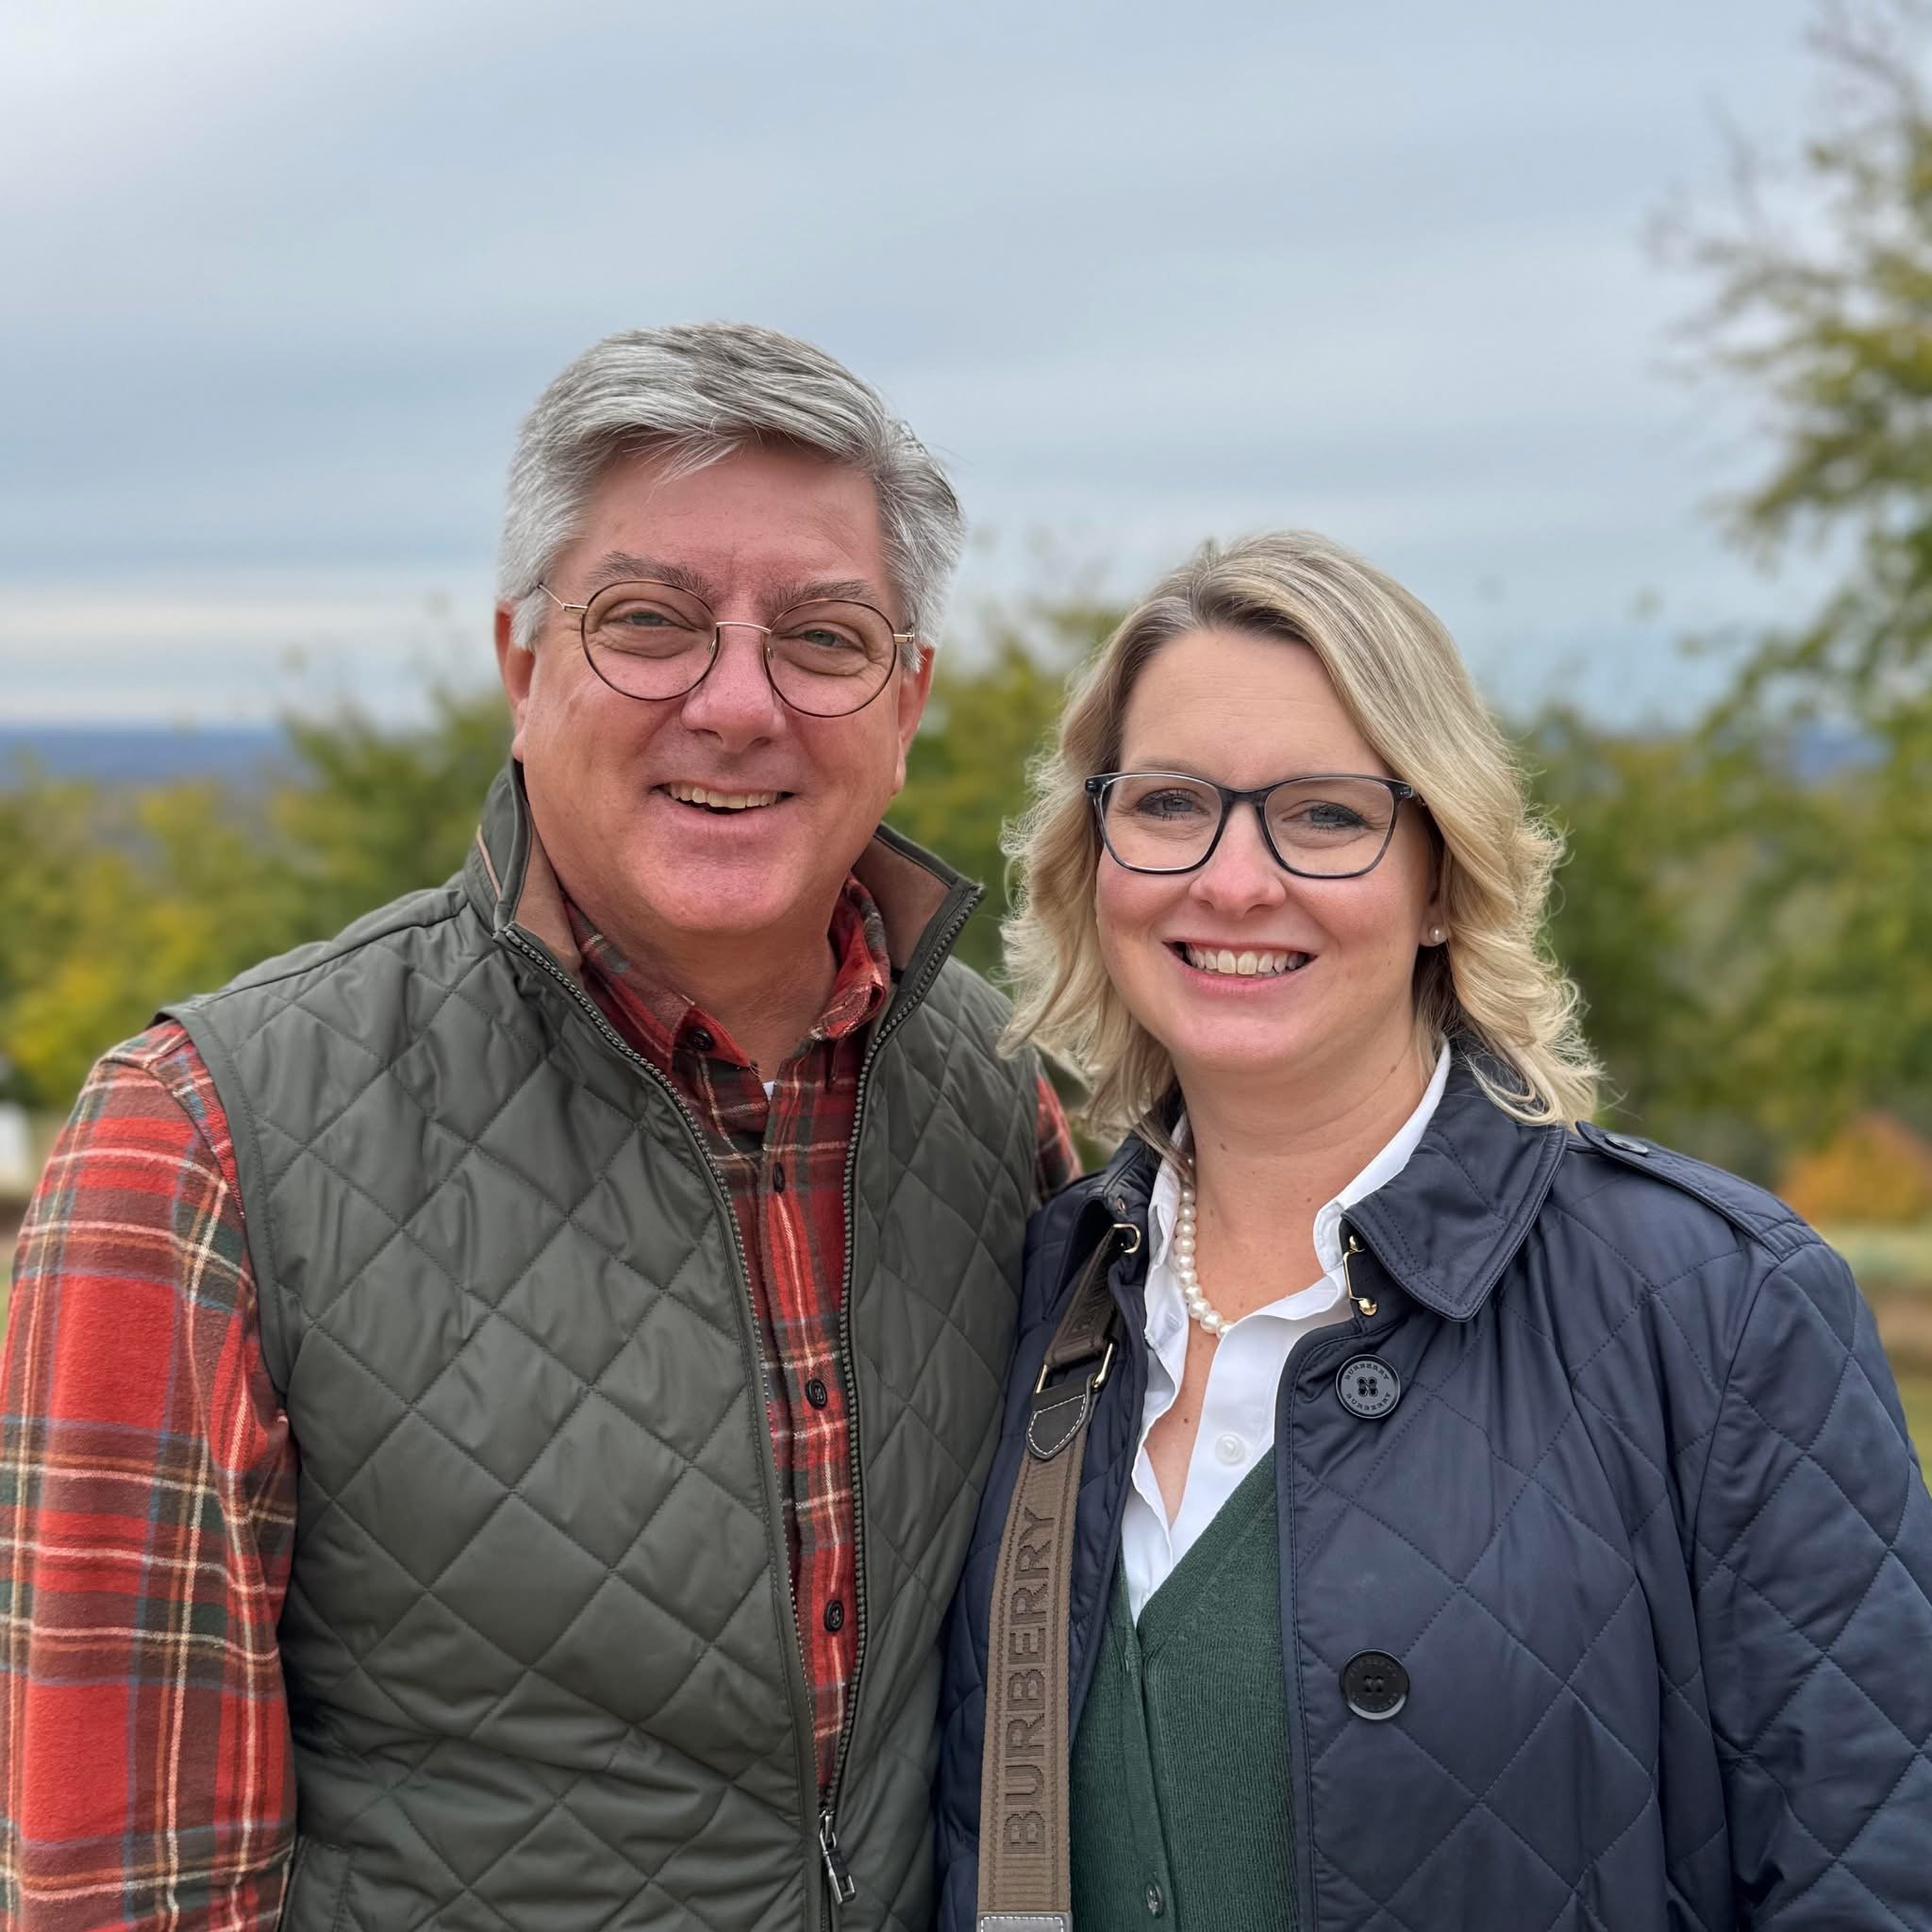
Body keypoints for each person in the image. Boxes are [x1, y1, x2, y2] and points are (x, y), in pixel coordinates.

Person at [0, 323, 1075, 1932]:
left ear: (905, 698)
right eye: (647, 623)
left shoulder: (1007, 1098)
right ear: (521, 667)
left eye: (826, 637)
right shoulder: (197, 1146)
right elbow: (115, 1886)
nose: (735, 702)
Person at [935, 531, 1932, 1931]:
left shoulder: (1721, 1307)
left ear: (1444, 877)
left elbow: (1875, 1880)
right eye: (1169, 803)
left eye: (1326, 816)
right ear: (1092, 853)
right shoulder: (1043, 1287)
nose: (1231, 880)